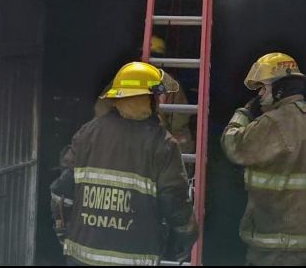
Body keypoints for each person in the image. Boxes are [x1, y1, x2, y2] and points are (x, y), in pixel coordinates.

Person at [51, 62, 197, 265]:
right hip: (135, 259)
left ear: (116, 97)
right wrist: (185, 239)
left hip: (82, 257)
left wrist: (63, 232)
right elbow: (175, 202)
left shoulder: (88, 133)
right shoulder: (162, 144)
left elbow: (61, 194)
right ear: (150, 100)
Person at [221, 52, 306, 266]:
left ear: (279, 89)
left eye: (262, 88)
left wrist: (243, 113)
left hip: (276, 255)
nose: (258, 94)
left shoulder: (272, 123)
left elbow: (232, 146)